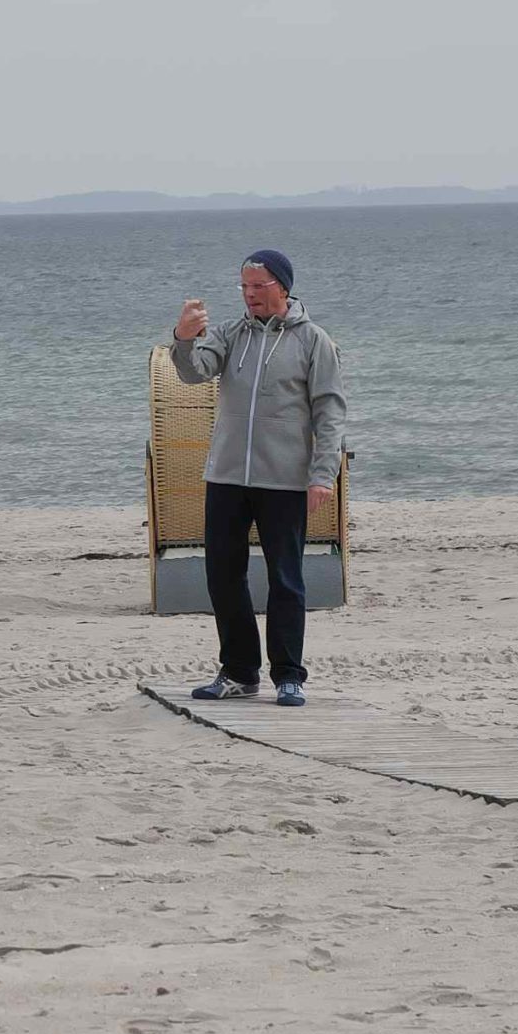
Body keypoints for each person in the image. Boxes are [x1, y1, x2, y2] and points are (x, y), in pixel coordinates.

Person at [170, 248, 347, 707]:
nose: (249, 294)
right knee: (223, 577)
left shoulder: (314, 341)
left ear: (282, 287)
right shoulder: (231, 334)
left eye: (258, 286)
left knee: (285, 579)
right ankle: (239, 672)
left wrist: (322, 474)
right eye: (244, 286)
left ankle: (289, 676)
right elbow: (194, 373)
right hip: (227, 477)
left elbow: (329, 412)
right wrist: (183, 339)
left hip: (285, 481)